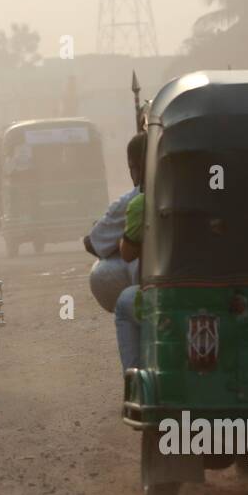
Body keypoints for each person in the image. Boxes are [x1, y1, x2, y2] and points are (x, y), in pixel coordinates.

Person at [85, 133, 142, 313]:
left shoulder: (136, 203)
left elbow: (96, 243)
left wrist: (120, 242)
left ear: (135, 167)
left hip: (158, 289)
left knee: (124, 308)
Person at [115, 133, 146, 372]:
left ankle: (134, 379)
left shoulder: (141, 203)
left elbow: (127, 254)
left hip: (168, 297)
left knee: (125, 303)